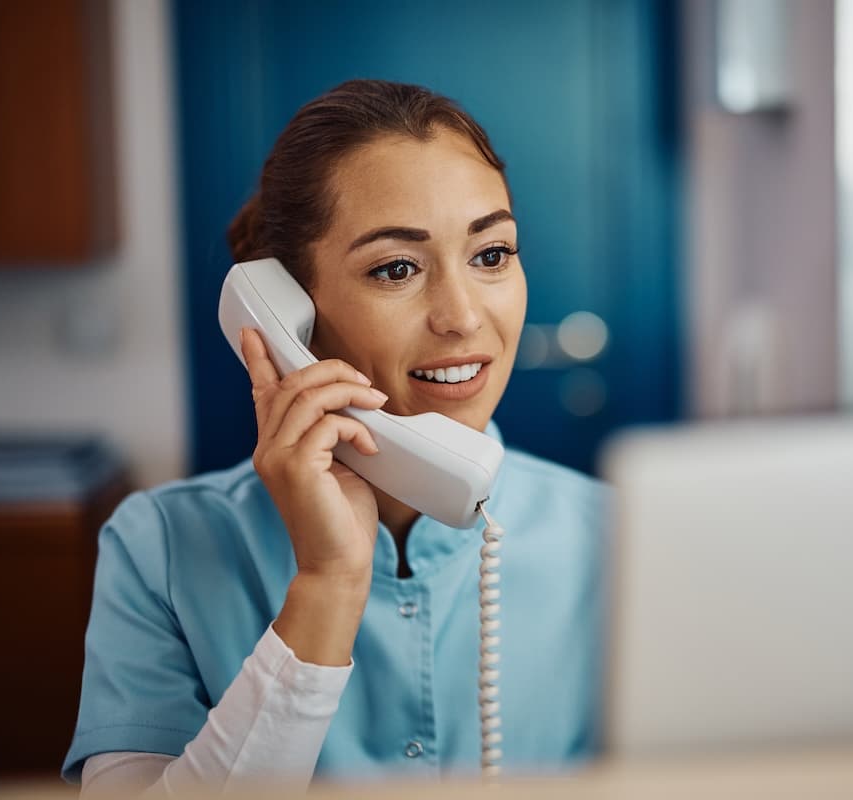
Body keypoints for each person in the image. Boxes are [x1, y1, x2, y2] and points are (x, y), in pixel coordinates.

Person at [62, 80, 608, 795]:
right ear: (286, 310)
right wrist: (327, 585)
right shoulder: (159, 548)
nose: (463, 317)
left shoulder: (618, 540)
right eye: (397, 269)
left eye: (491, 254)